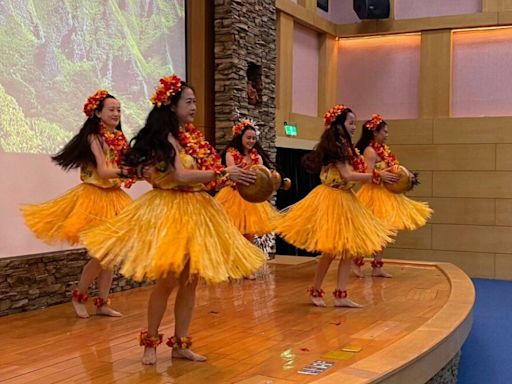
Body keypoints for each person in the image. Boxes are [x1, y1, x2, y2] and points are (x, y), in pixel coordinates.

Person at [81, 74, 266, 365]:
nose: (194, 107)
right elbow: (179, 175)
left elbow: (205, 174)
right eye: (189, 101)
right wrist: (223, 174)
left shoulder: (193, 137)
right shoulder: (165, 138)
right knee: (167, 282)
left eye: (195, 102)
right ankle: (151, 342)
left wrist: (230, 178)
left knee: (190, 281)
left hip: (198, 210)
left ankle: (181, 344)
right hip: (170, 211)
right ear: (171, 104)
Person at [21, 90, 136, 318]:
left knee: (110, 256)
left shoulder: (120, 139)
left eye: (119, 110)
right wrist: (131, 171)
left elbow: (124, 169)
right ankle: (80, 294)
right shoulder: (94, 138)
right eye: (111, 109)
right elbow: (103, 171)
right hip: (93, 198)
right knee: (103, 254)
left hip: (114, 197)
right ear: (97, 112)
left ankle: (102, 303)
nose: (116, 113)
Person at [273, 105, 397, 307]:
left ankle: (341, 294)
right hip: (332, 198)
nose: (354, 127)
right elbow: (347, 175)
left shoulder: (348, 147)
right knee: (330, 251)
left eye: (354, 123)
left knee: (348, 248)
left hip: (347, 198)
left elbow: (354, 174)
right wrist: (376, 176)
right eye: (350, 122)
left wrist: (381, 174)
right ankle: (316, 289)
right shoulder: (335, 147)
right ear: (338, 125)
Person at [353, 114, 433, 278]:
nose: (387, 135)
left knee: (385, 231)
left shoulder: (384, 151)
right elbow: (366, 174)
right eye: (385, 132)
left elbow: (393, 170)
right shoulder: (369, 151)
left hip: (386, 194)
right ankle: (356, 263)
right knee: (370, 231)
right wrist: (380, 174)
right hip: (373, 195)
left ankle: (377, 267)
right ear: (375, 132)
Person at [216, 119, 278, 278]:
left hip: (251, 199)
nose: (251, 141)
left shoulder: (257, 157)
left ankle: (246, 268)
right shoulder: (231, 153)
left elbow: (262, 176)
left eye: (253, 138)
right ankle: (232, 266)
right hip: (234, 195)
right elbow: (231, 174)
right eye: (248, 138)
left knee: (249, 235)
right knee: (234, 233)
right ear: (240, 137)